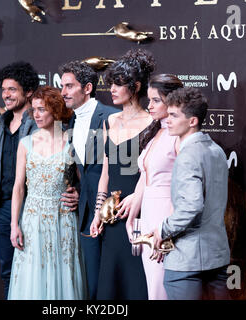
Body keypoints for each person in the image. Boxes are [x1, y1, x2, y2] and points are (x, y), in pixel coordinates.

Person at [0, 61, 79, 298]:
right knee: (11, 271)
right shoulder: (0, 120)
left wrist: (76, 189)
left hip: (36, 207)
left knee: (45, 269)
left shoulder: (43, 123)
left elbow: (72, 164)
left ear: (28, 92)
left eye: (12, 90)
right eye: (4, 90)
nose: (6, 95)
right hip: (1, 206)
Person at [152, 87, 231, 300]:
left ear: (192, 121)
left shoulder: (188, 155)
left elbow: (191, 207)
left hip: (187, 262)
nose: (167, 120)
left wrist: (163, 229)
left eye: (173, 115)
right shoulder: (216, 150)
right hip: (216, 255)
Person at [7, 86, 86, 299]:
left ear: (56, 110)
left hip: (63, 220)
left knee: (63, 278)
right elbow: (18, 187)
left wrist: (78, 194)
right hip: (32, 220)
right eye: (34, 110)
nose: (37, 115)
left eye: (42, 109)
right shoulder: (26, 143)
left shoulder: (71, 142)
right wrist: (15, 224)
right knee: (32, 279)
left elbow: (86, 182)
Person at [90, 49, 155, 299]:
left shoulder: (153, 123)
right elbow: (105, 174)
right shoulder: (109, 121)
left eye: (118, 84)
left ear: (136, 86)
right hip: (112, 217)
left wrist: (137, 201)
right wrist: (98, 213)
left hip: (139, 213)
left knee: (136, 283)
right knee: (111, 287)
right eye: (111, 84)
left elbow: (152, 173)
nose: (112, 90)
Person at [117, 74, 183, 299]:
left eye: (156, 100)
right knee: (152, 286)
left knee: (162, 287)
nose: (150, 105)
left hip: (166, 215)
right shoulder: (156, 132)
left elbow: (183, 187)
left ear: (172, 101)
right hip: (148, 216)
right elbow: (145, 179)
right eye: (149, 100)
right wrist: (132, 216)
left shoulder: (179, 136)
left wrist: (168, 230)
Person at [60, 60, 119, 299]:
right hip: (86, 213)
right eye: (62, 86)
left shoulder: (113, 116)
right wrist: (76, 189)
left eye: (69, 86)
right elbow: (82, 168)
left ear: (87, 88)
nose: (63, 92)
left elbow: (124, 169)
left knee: (114, 283)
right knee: (92, 285)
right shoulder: (72, 121)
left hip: (114, 212)